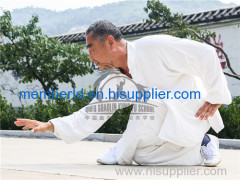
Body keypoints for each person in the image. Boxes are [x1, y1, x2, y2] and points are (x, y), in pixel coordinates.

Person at [15, 20, 232, 167]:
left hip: (192, 110)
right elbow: (92, 113)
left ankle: (199, 138)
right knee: (139, 155)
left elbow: (205, 53)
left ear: (110, 42)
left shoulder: (153, 46)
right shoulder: (114, 81)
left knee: (149, 103)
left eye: (92, 50)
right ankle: (203, 145)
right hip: (161, 118)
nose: (90, 57)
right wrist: (51, 125)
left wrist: (216, 97)